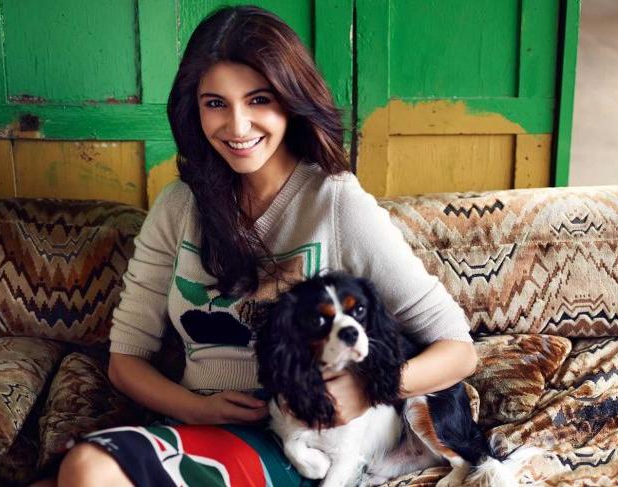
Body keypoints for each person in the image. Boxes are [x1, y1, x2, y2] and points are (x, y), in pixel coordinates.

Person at [33, 5, 477, 486]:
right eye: (215, 103)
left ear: (292, 100)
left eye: (258, 99)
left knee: (88, 468)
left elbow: (459, 351)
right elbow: (126, 361)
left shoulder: (335, 202)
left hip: (293, 438)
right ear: (193, 109)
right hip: (193, 425)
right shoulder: (178, 205)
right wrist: (196, 408)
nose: (238, 126)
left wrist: (367, 389)